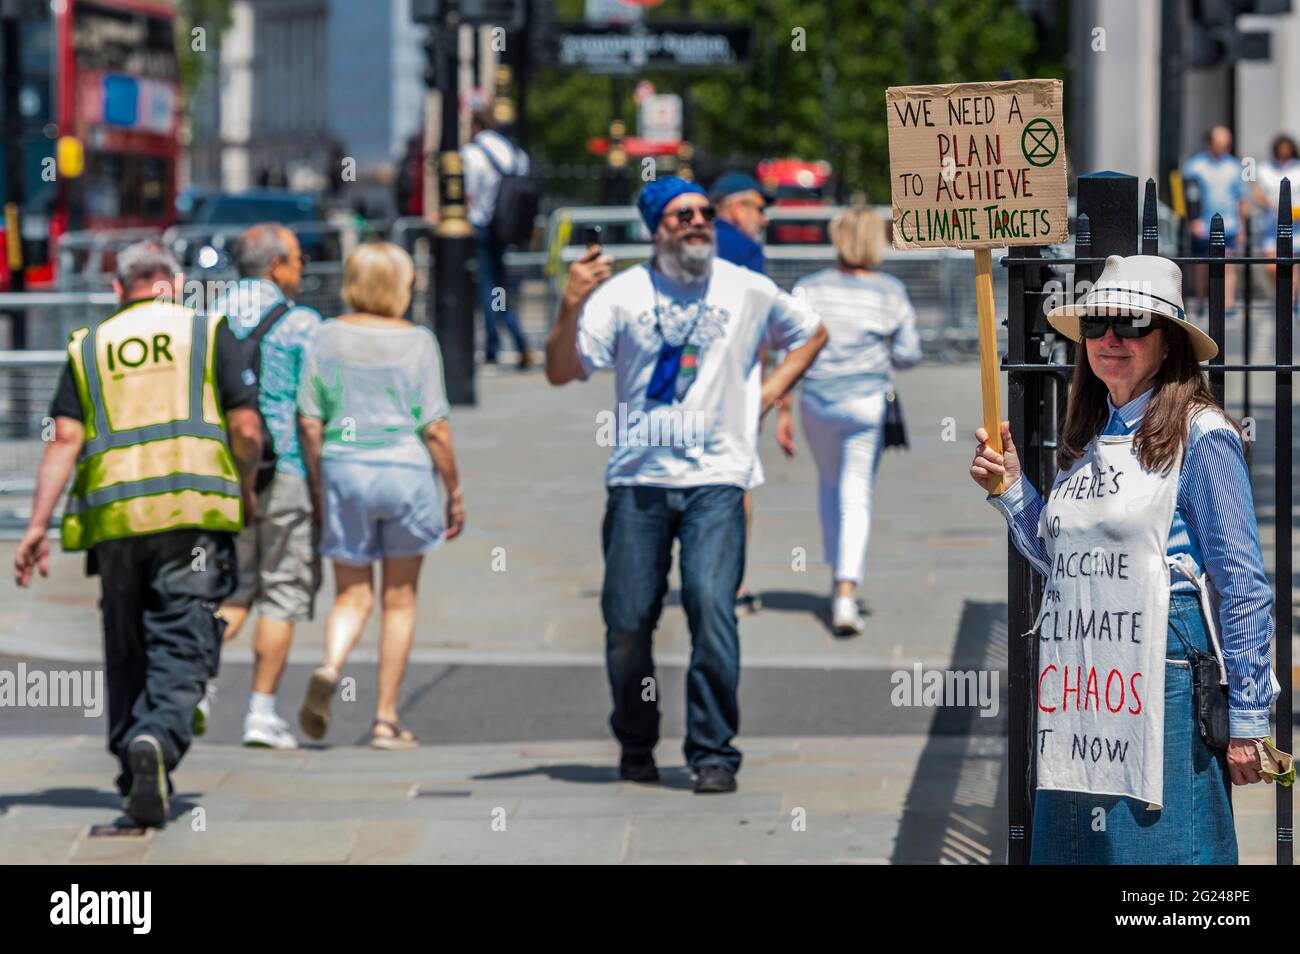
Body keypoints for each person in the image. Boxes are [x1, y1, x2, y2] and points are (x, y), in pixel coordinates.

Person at [971, 254, 1279, 864]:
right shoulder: (1090, 435)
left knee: (1161, 856)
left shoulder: (1205, 434)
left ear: (1169, 345)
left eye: (1133, 324)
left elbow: (1240, 580)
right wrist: (1012, 493)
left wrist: (1248, 716)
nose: (1111, 338)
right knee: (1083, 851)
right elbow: (1065, 565)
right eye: (1096, 325)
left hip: (1163, 666)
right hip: (1081, 681)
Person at [544, 177, 828, 794]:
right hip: (638, 479)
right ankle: (636, 739)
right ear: (656, 229)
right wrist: (570, 305)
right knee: (626, 622)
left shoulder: (746, 287)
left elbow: (812, 332)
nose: (697, 223)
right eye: (681, 216)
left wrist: (771, 393)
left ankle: (713, 751)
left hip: (718, 479)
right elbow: (561, 371)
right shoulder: (620, 294)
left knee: (711, 608)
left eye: (703, 213)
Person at [13, 240, 262, 827]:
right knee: (185, 638)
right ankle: (157, 738)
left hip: (116, 522)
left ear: (120, 289)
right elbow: (246, 426)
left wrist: (35, 526)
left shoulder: (90, 345)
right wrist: (246, 486)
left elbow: (64, 440)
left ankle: (135, 772)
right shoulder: (207, 330)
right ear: (173, 284)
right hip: (194, 516)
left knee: (126, 648)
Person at [295, 242, 464, 750]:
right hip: (404, 470)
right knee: (399, 601)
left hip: (345, 467)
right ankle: (386, 720)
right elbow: (434, 427)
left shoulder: (324, 337)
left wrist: (320, 480)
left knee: (351, 594)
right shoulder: (418, 342)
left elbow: (308, 420)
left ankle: (330, 664)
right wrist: (454, 489)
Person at [786, 207, 921, 635]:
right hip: (866, 401)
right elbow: (909, 353)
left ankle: (835, 573)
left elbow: (789, 346)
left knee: (829, 484)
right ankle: (846, 591)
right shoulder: (890, 291)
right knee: (856, 491)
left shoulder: (808, 289)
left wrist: (781, 410)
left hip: (818, 400)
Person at [214, 224, 322, 750]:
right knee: (280, 590)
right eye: (298, 260)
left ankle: (193, 689)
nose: (302, 269)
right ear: (276, 265)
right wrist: (323, 490)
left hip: (224, 472)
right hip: (286, 473)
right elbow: (312, 417)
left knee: (233, 586)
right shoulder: (304, 325)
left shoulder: (206, 317)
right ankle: (260, 714)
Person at [711, 170, 773, 614]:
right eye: (758, 207)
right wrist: (768, 394)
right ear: (735, 208)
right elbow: (760, 324)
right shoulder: (745, 249)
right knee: (737, 479)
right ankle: (730, 582)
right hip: (732, 382)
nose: (764, 218)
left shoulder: (680, 240)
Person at [463, 108, 533, 369]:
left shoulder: (473, 154)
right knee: (501, 288)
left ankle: (494, 348)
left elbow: (468, 195)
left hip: (481, 226)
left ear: (476, 126)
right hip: (507, 229)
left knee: (487, 288)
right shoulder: (517, 154)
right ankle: (520, 342)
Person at [1182, 126, 1248, 310]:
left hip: (1230, 223)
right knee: (1202, 264)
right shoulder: (1194, 166)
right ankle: (1202, 301)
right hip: (1203, 223)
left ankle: (1227, 305)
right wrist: (1192, 220)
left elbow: (1241, 198)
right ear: (1210, 143)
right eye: (1221, 144)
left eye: (1227, 144)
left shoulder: (1234, 166)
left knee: (1228, 263)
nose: (1225, 148)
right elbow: (1188, 196)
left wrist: (1243, 226)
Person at [1251, 133, 1300, 290]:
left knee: (1291, 265)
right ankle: (1281, 297)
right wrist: (1270, 205)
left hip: (1296, 225)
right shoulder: (1265, 168)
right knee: (1272, 266)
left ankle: (1292, 302)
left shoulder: (1298, 167)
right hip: (1271, 225)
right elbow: (1257, 192)